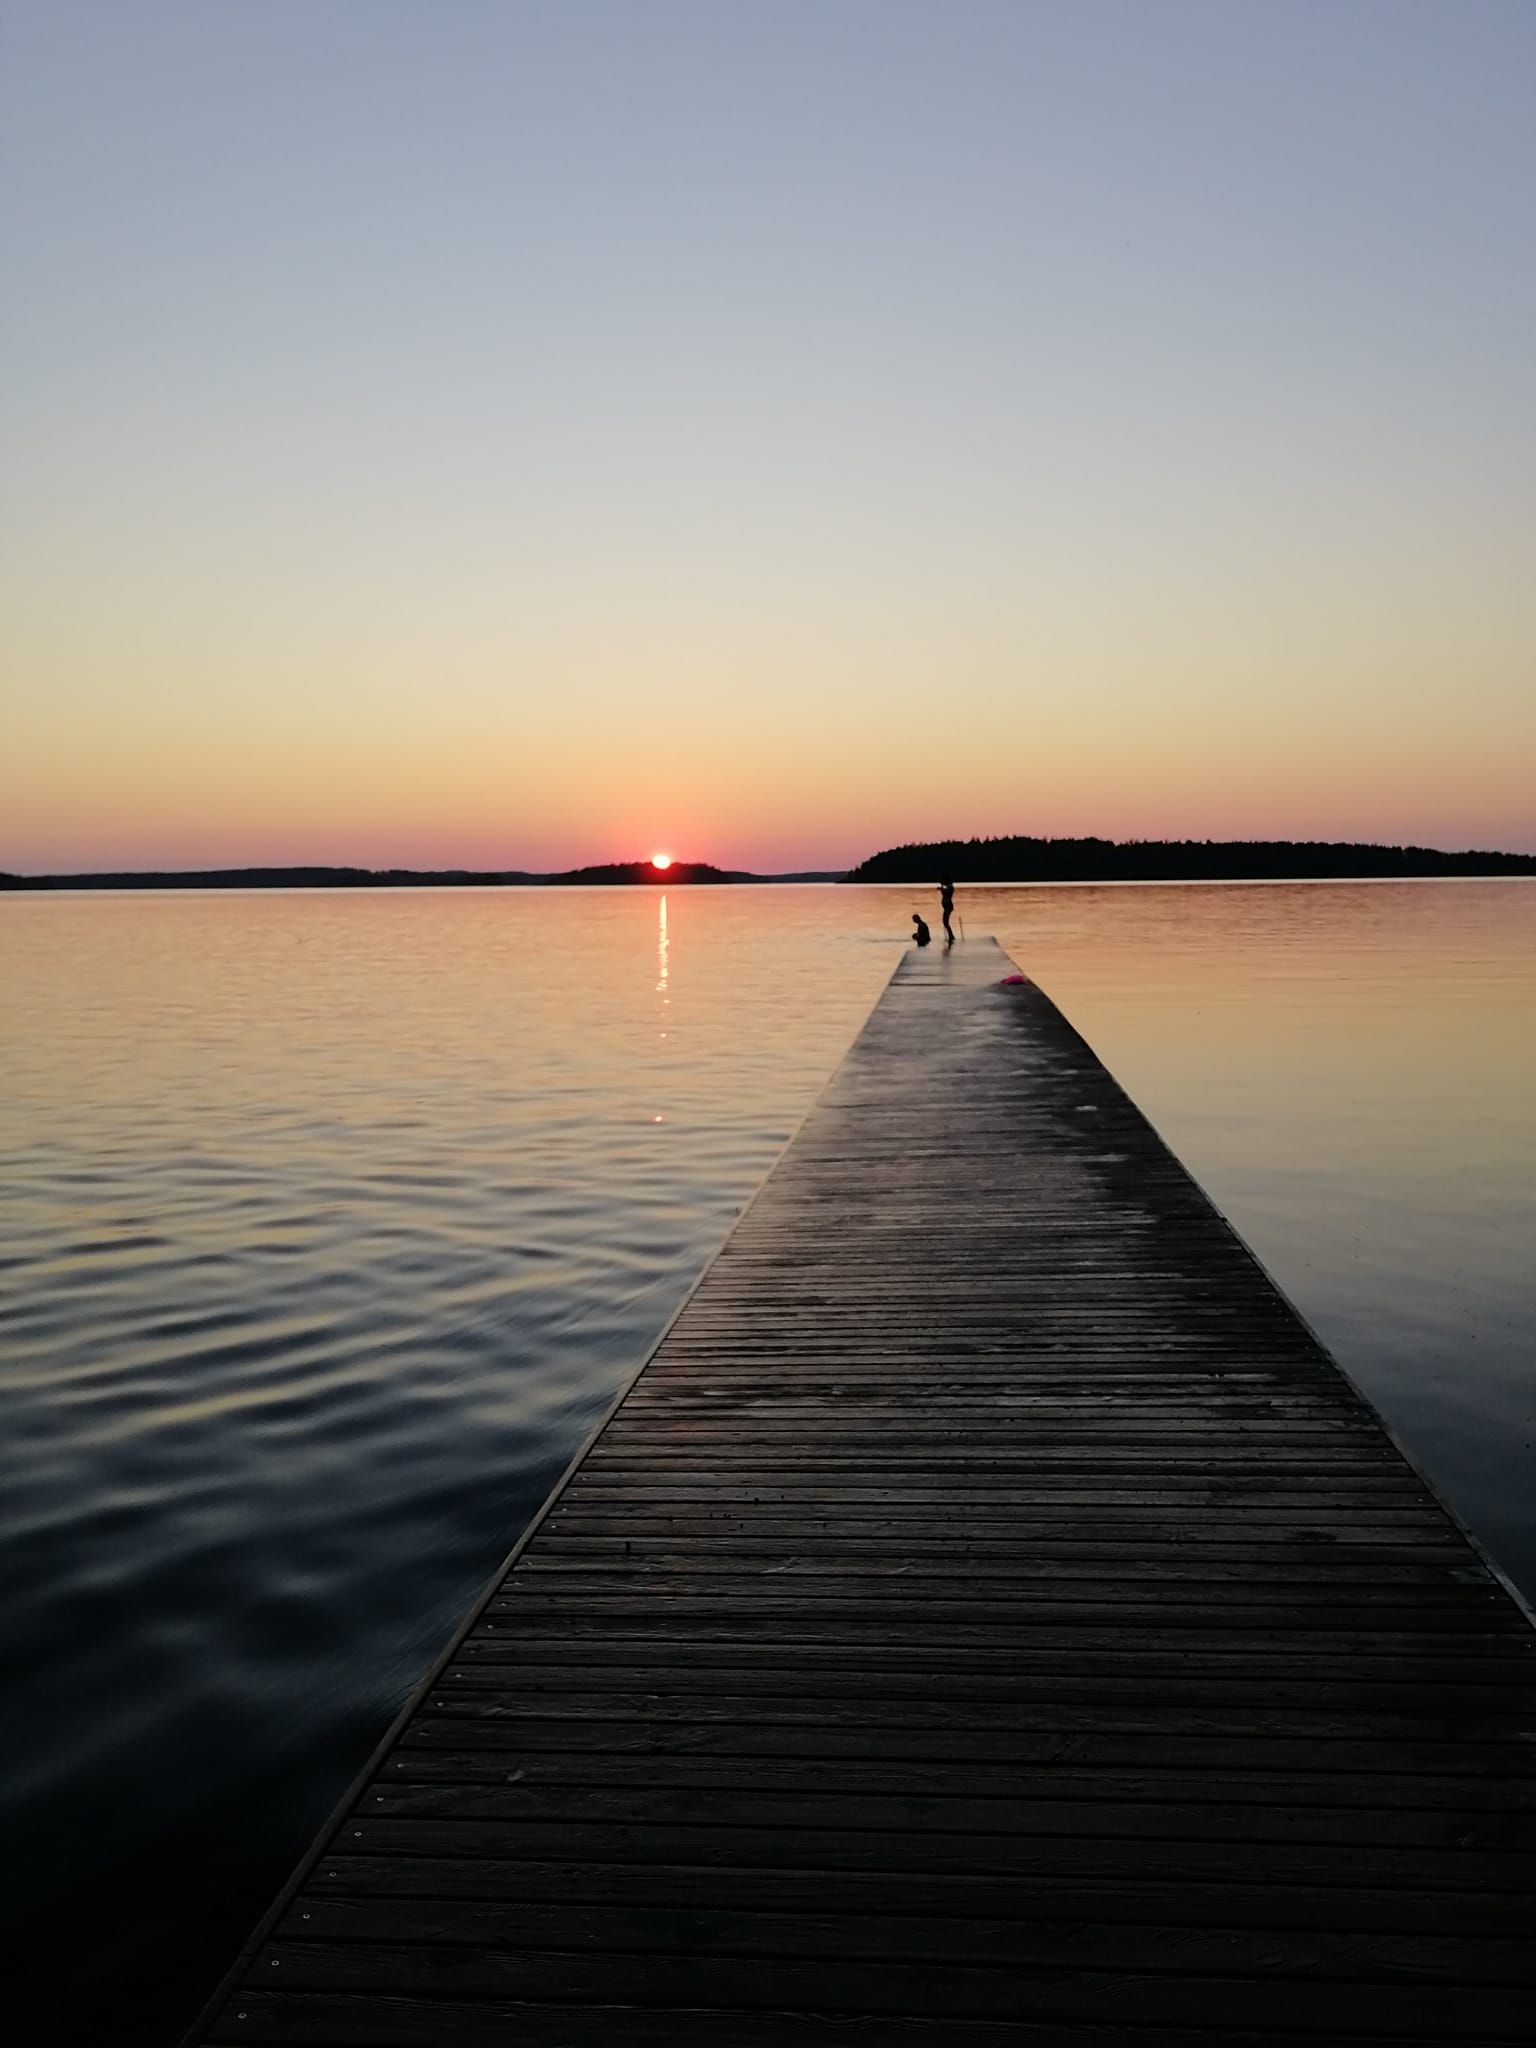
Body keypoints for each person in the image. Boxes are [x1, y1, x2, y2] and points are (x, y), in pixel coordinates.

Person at [938, 875, 956, 945]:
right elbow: (944, 890)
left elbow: (946, 891)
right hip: (946, 906)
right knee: (945, 922)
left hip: (948, 906)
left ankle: (951, 936)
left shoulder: (950, 886)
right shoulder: (947, 886)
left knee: (945, 922)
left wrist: (942, 887)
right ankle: (951, 935)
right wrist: (942, 887)